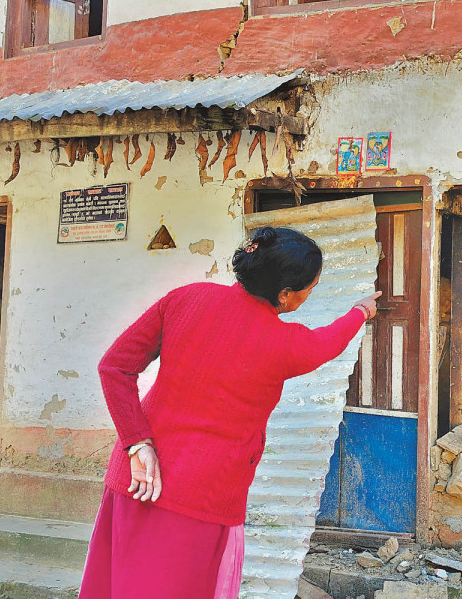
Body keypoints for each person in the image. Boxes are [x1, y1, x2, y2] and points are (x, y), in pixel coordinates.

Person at [78, 226, 381, 599]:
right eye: (310, 288)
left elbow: (114, 367)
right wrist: (360, 311)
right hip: (201, 498)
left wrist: (137, 443)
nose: (308, 295)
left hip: (136, 479)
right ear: (285, 295)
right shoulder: (286, 343)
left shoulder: (184, 299)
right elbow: (329, 341)